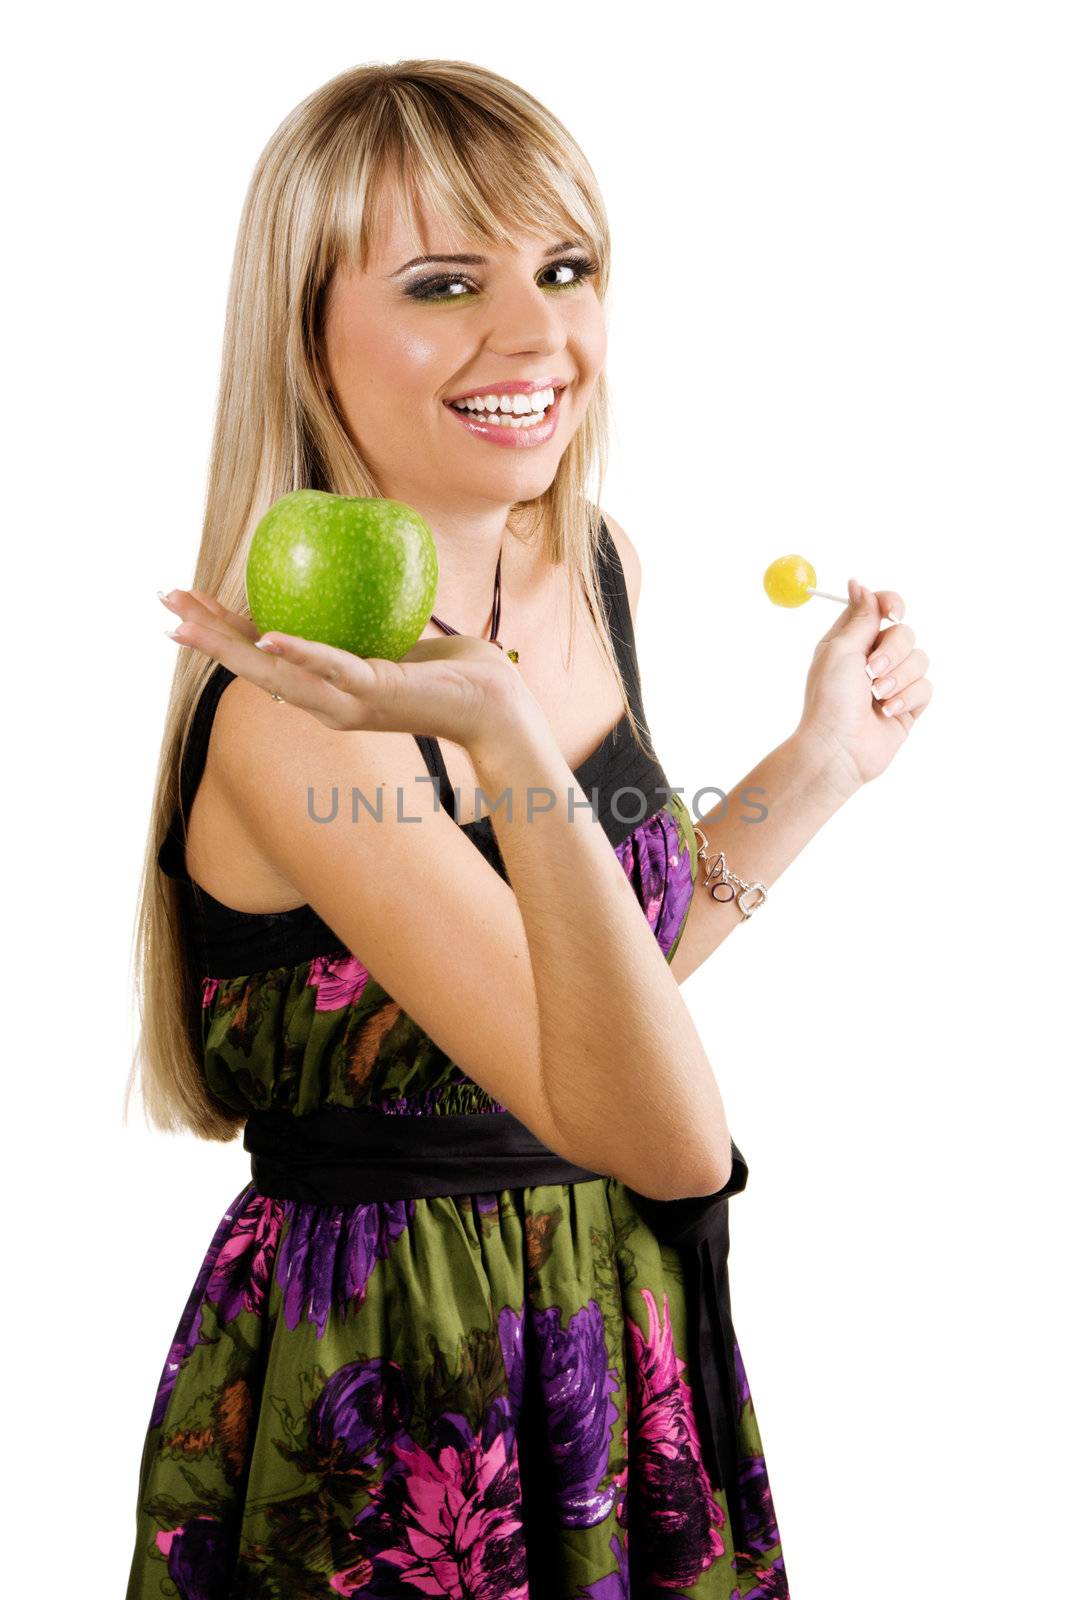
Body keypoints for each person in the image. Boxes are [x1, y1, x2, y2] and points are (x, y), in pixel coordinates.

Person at [124, 59, 932, 1600]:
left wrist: (816, 767)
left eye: (565, 270)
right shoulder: (300, 707)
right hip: (395, 1367)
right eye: (445, 283)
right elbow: (674, 1142)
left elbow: (596, 985)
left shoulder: (592, 561)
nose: (536, 338)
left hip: (602, 1321)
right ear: (308, 338)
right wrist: (499, 736)